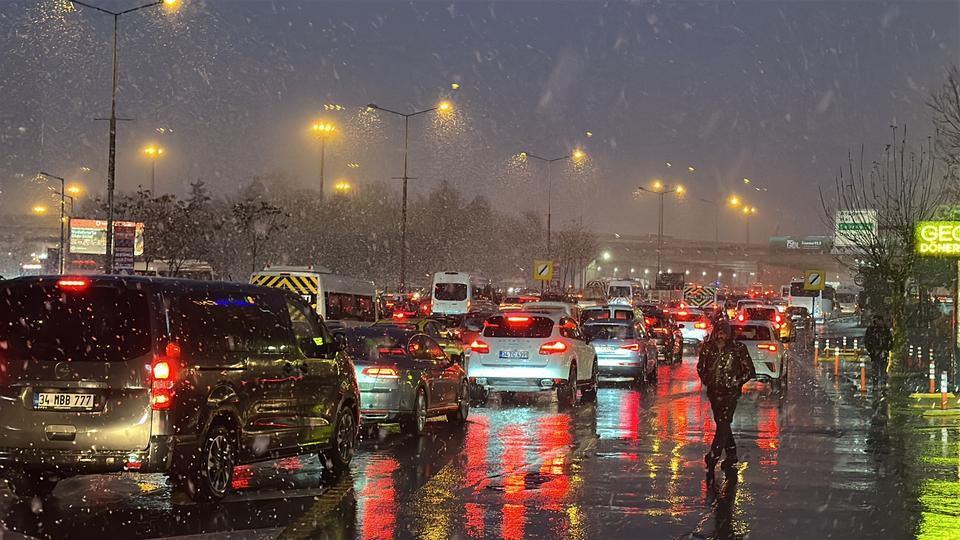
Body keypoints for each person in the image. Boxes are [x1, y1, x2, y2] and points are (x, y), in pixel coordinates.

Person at [697, 321, 756, 473]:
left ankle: (714, 455)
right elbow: (700, 367)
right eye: (719, 332)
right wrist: (707, 379)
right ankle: (731, 454)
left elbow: (749, 370)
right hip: (714, 391)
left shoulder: (737, 348)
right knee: (722, 422)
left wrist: (736, 382)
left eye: (724, 332)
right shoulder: (708, 348)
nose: (721, 335)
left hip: (730, 393)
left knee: (724, 421)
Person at [864, 314, 892, 386]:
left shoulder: (885, 330)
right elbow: (867, 341)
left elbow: (890, 340)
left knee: (883, 370)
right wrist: (871, 350)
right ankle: (876, 384)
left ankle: (883, 384)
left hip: (883, 352)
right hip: (874, 353)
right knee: (875, 370)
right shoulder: (871, 330)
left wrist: (886, 349)